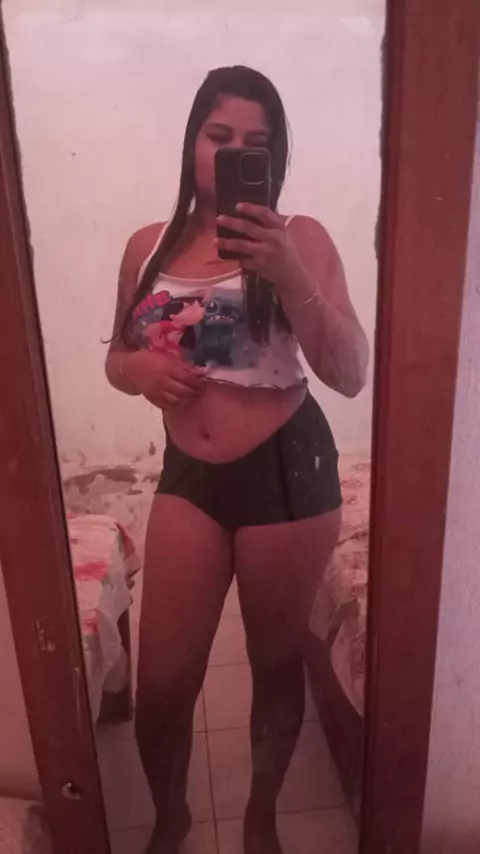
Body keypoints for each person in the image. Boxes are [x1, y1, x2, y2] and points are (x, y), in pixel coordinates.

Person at [106, 65, 369, 854]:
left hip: (288, 470)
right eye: (219, 136)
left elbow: (350, 373)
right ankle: (173, 816)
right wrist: (139, 371)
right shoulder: (148, 247)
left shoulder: (303, 239)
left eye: (256, 142)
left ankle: (260, 814)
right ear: (192, 140)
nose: (233, 154)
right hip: (190, 477)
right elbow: (116, 356)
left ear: (274, 154)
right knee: (161, 688)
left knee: (274, 665)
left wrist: (289, 274)